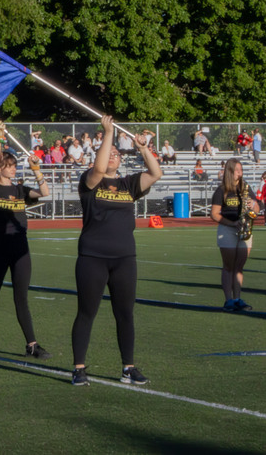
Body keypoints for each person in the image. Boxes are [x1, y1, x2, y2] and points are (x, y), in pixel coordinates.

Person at [70, 116, 162, 387]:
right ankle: (78, 368)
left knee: (125, 313)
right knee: (87, 312)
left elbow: (156, 173)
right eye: (107, 152)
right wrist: (108, 133)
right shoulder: (90, 181)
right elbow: (99, 169)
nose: (112, 155)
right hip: (93, 257)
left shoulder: (128, 185)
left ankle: (128, 368)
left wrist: (142, 148)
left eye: (116, 153)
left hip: (124, 258)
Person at [0, 121, 52, 363]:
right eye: (9, 166)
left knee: (21, 299)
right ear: (0, 168)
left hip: (20, 250)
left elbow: (45, 193)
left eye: (15, 166)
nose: (13, 169)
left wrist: (37, 169)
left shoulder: (19, 190)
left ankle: (32, 345)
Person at [211, 158, 258, 312]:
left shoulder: (245, 188)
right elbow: (214, 214)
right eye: (237, 170)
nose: (240, 173)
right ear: (230, 172)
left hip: (244, 228)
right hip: (228, 229)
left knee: (239, 267)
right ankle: (228, 300)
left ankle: (237, 298)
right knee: (229, 266)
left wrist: (253, 205)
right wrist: (232, 223)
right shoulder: (221, 190)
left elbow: (258, 207)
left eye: (241, 170)